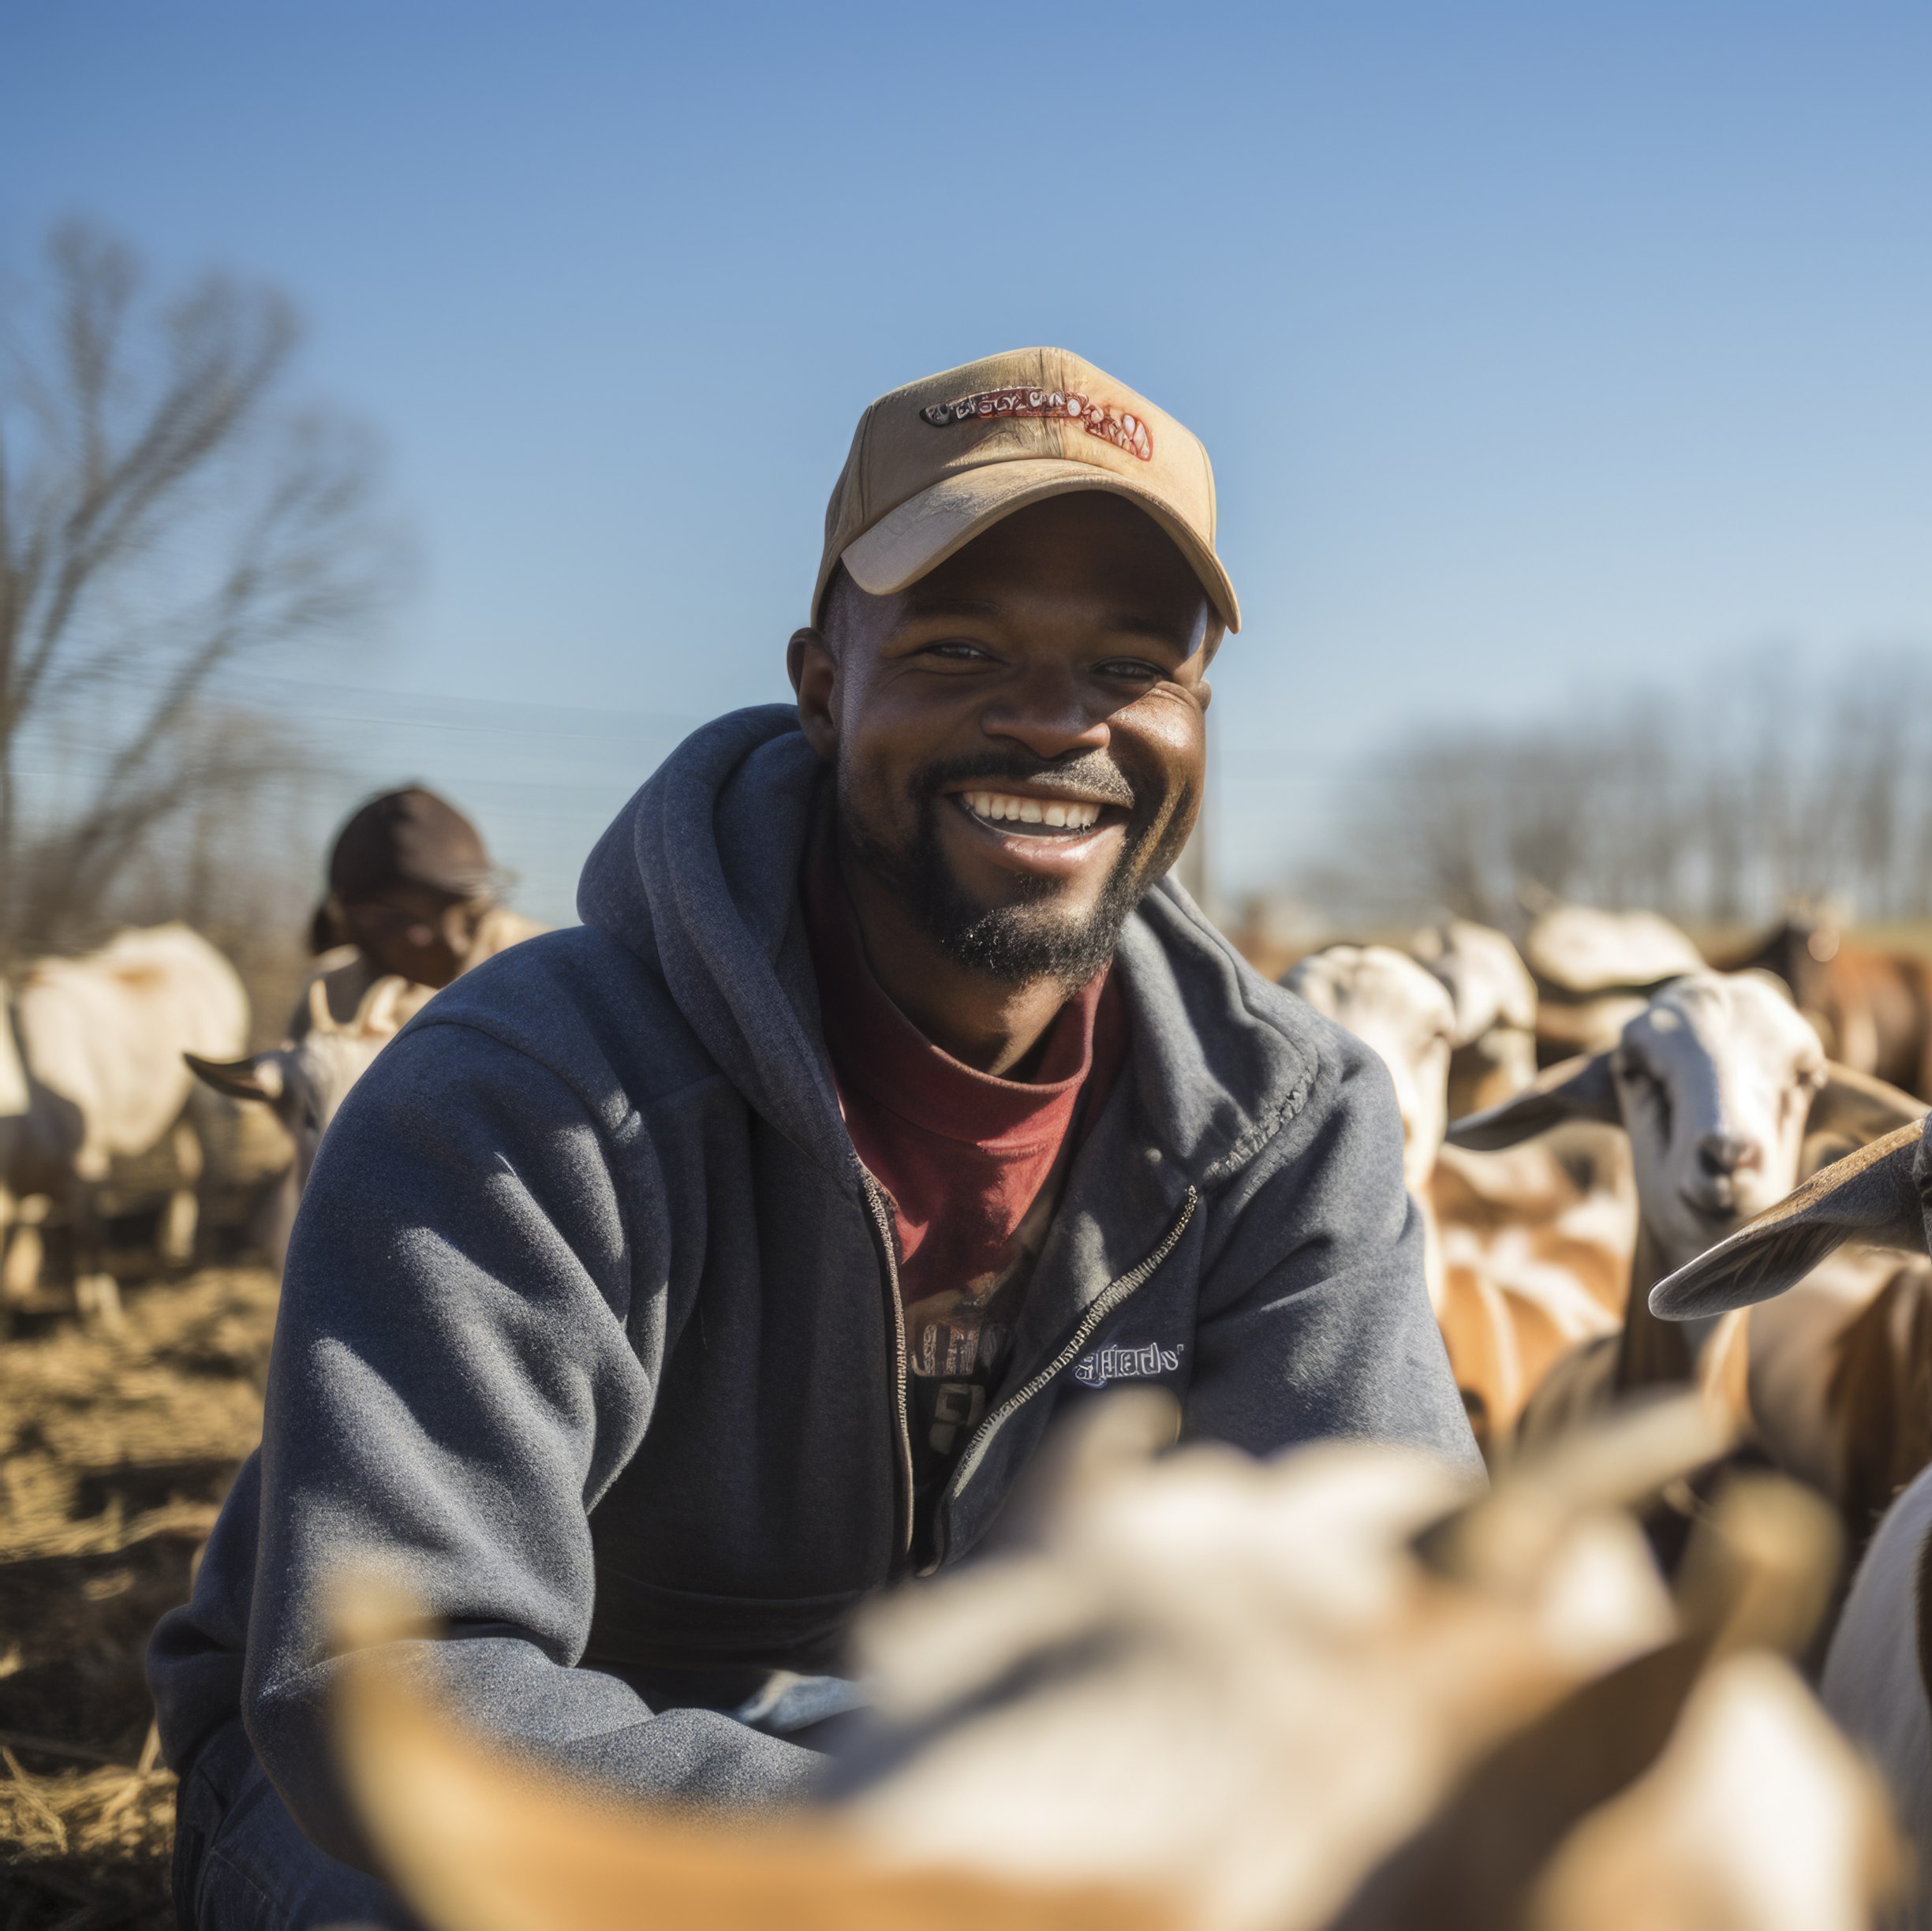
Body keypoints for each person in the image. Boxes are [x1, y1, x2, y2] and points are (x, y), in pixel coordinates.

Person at [150, 347, 1471, 1927]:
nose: (1059, 724)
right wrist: (939, 1861)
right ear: (824, 682)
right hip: (505, 1786)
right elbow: (392, 1681)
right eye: (962, 646)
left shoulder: (1282, 1131)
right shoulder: (520, 1098)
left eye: (1133, 665)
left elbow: (1396, 1629)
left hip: (1015, 1792)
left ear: (1196, 711)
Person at [294, 785, 542, 1036]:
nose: (416, 936)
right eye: (385, 919)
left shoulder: (541, 974)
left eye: (436, 910)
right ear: (348, 921)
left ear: (473, 909)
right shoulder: (333, 995)